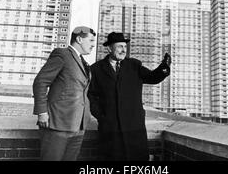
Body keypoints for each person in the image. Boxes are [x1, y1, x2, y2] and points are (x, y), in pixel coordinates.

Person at [88, 32, 171, 161]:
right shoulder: (96, 69)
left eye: (125, 47)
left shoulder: (134, 65)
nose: (123, 50)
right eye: (120, 46)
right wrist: (102, 116)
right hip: (110, 128)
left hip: (134, 126)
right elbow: (91, 96)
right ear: (110, 48)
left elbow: (152, 77)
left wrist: (164, 67)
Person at [32, 26, 96, 161]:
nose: (93, 45)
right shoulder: (62, 54)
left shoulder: (84, 62)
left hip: (78, 126)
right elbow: (40, 82)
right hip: (58, 124)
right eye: (90, 41)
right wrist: (42, 112)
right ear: (79, 39)